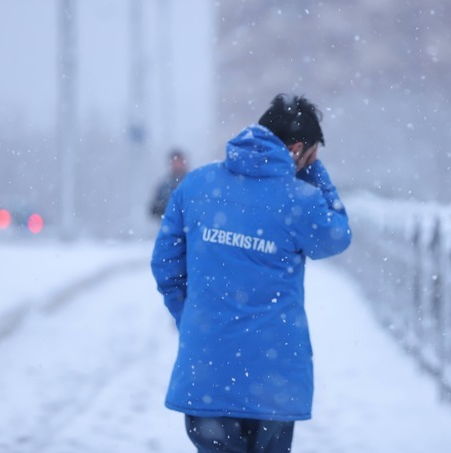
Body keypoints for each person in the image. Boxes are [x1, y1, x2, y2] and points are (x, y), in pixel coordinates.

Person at [150, 94, 352, 452]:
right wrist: (315, 173)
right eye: (312, 155)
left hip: (208, 371)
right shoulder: (299, 199)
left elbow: (166, 266)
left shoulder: (196, 186)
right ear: (297, 149)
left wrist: (195, 321)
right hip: (274, 381)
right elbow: (337, 236)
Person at [149, 148, 189, 220]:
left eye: (179, 162)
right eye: (174, 162)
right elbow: (153, 210)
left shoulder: (193, 183)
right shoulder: (164, 186)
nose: (177, 165)